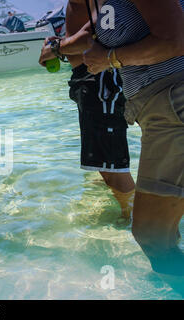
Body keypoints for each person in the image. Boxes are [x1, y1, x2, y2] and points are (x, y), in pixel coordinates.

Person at [83, 0, 184, 276]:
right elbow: (86, 34)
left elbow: (176, 40)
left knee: (152, 236)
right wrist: (57, 48)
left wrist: (109, 59)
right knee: (165, 232)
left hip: (174, 101)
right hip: (162, 107)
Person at [38, 0, 136, 221]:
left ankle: (141, 221)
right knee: (106, 164)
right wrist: (62, 47)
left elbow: (101, 32)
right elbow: (94, 29)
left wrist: (56, 49)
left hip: (100, 76)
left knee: (112, 167)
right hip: (91, 76)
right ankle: (140, 218)